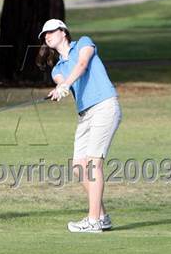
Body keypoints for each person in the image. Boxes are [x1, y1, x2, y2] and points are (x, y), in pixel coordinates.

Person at [37, 19, 122, 233]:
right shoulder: (57, 68)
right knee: (78, 167)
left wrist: (65, 85)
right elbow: (60, 80)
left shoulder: (84, 42)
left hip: (104, 106)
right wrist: (60, 89)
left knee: (94, 165)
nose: (47, 36)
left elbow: (82, 65)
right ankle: (102, 216)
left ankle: (93, 221)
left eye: (51, 32)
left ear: (63, 32)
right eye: (44, 35)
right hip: (85, 116)